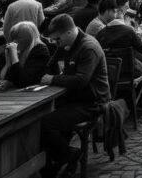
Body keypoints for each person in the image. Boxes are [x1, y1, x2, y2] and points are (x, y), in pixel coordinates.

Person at [39, 14, 109, 178]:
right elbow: (49, 66)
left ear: (69, 32)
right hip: (75, 98)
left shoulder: (88, 47)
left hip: (92, 102)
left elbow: (81, 81)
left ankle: (68, 154)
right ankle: (53, 162)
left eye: (57, 40)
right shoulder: (67, 43)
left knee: (44, 123)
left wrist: (53, 79)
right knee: (38, 118)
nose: (56, 43)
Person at [94, 3, 142, 77]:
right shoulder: (129, 30)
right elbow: (139, 44)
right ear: (124, 19)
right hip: (131, 72)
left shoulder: (100, 33)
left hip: (110, 75)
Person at [0, 21, 49, 90]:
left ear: (28, 39)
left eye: (18, 38)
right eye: (13, 38)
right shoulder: (18, 50)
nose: (14, 41)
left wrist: (14, 57)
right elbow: (2, 79)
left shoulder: (40, 50)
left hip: (41, 93)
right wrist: (8, 64)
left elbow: (23, 81)